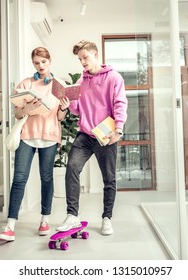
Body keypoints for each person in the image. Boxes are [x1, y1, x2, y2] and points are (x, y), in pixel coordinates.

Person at [0, 47, 70, 242]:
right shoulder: (26, 83)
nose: (40, 65)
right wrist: (27, 108)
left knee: (47, 178)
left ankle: (44, 220)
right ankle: (10, 225)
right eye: (37, 63)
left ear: (50, 61)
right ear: (33, 64)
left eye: (43, 62)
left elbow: (60, 117)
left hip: (49, 136)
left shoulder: (59, 85)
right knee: (19, 178)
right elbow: (18, 114)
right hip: (27, 135)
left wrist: (63, 108)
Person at [56, 40, 128, 235]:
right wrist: (66, 104)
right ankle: (72, 215)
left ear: (96, 54)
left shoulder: (113, 78)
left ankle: (107, 218)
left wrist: (118, 129)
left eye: (85, 57)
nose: (83, 62)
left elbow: (120, 103)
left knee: (109, 178)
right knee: (72, 167)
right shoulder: (81, 82)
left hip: (105, 135)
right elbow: (78, 109)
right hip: (85, 134)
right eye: (80, 59)